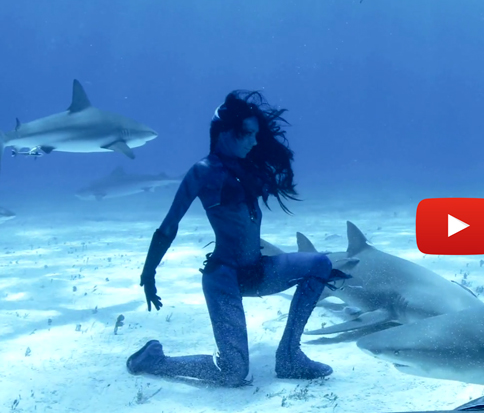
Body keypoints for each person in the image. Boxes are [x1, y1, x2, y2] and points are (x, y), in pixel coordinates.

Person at [126, 90, 345, 386]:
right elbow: (168, 226)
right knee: (233, 372)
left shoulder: (246, 167)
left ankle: (290, 356)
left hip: (257, 270)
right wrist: (148, 272)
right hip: (224, 277)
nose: (254, 141)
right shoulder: (202, 172)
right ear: (225, 133)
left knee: (319, 263)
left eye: (256, 134)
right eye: (247, 134)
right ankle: (154, 361)